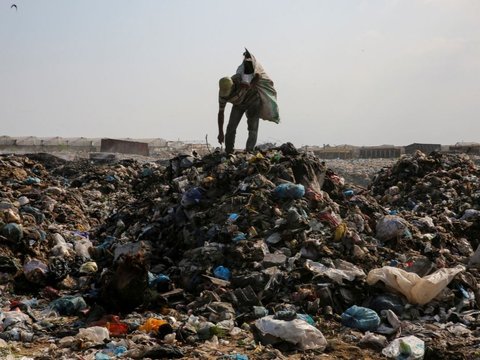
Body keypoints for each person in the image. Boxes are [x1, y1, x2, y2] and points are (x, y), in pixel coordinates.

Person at [217, 50, 279, 154]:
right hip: (238, 104)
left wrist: (250, 85)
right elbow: (221, 113)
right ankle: (229, 152)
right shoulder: (222, 95)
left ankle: (249, 151)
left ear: (233, 86)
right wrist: (220, 132)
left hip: (253, 101)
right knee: (231, 127)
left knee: (252, 127)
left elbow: (257, 76)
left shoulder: (239, 79)